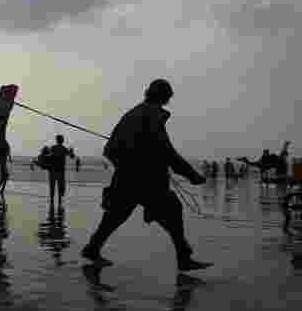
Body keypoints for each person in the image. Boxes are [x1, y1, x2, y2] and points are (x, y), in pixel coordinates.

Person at [80, 79, 210, 271]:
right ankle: (184, 258)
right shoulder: (152, 115)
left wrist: (126, 166)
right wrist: (192, 175)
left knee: (116, 216)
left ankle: (92, 248)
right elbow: (167, 151)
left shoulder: (132, 114)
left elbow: (109, 150)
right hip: (147, 181)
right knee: (172, 210)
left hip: (125, 180)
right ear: (166, 98)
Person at [39, 135, 75, 207]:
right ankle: (59, 201)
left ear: (56, 140)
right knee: (60, 187)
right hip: (60, 171)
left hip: (52, 170)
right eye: (62, 139)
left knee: (52, 187)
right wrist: (71, 151)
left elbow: (46, 154)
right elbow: (72, 156)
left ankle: (52, 200)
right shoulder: (64, 149)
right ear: (62, 140)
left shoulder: (53, 148)